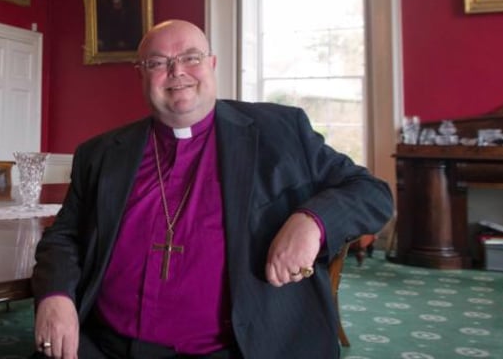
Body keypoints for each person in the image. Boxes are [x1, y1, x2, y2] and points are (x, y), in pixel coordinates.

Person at [31, 20, 393, 359]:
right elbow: (64, 236)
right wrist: (55, 295)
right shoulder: (100, 154)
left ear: (212, 63)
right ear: (140, 73)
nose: (177, 72)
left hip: (239, 349)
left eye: (191, 57)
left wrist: (312, 221)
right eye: (158, 62)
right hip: (107, 346)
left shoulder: (279, 131)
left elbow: (372, 192)